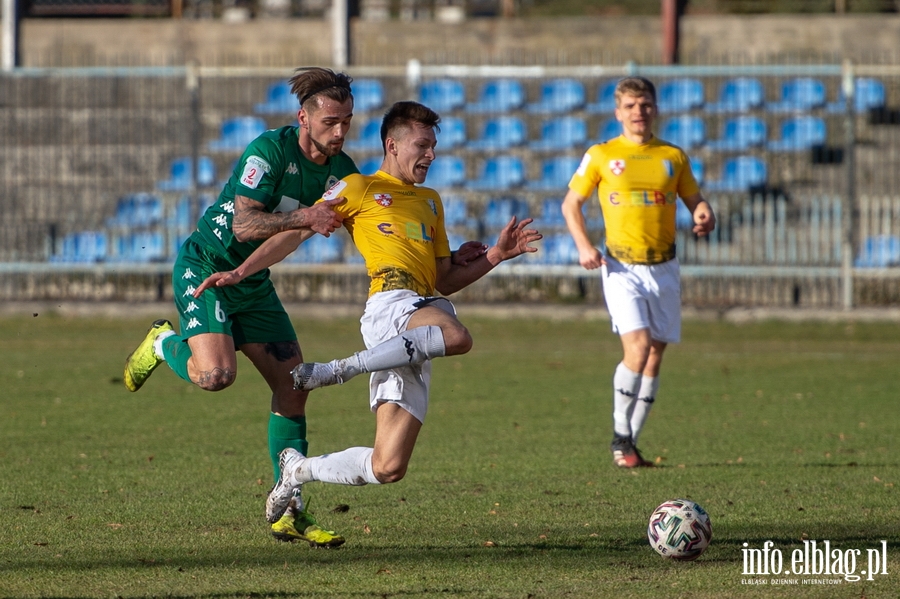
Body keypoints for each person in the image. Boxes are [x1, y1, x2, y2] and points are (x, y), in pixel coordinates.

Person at [192, 101, 542, 531]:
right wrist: (242, 271)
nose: (431, 154)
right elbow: (296, 233)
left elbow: (445, 278)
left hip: (417, 320)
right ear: (392, 144)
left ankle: (297, 471)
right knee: (458, 336)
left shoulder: (431, 202)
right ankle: (337, 370)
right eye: (422, 145)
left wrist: (495, 255)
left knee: (388, 466)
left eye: (434, 146)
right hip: (391, 307)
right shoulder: (357, 186)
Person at [122, 67, 358, 547]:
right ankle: (163, 341)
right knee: (215, 377)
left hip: (249, 280)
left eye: (347, 121)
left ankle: (288, 507)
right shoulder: (268, 151)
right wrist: (307, 216)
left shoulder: (343, 173)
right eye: (331, 121)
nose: (339, 132)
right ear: (303, 118)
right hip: (206, 266)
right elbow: (246, 226)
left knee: (294, 386)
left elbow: (294, 236)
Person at [560, 76, 715, 468]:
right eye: (630, 105)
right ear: (618, 112)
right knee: (639, 347)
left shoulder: (673, 156)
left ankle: (630, 443)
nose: (638, 112)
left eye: (644, 104)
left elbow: (694, 200)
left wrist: (703, 214)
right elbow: (570, 205)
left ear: (655, 108)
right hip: (620, 267)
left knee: (654, 355)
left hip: (665, 267)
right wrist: (583, 246)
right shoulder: (600, 155)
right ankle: (619, 434)